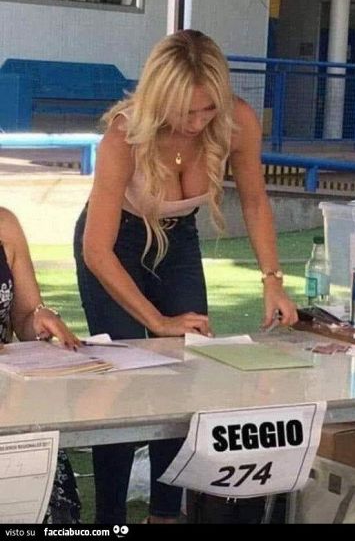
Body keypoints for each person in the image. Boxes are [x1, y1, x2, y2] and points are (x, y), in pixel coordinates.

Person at [73, 29, 299, 524]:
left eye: (208, 109)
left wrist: (272, 279)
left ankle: (165, 514)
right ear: (160, 98)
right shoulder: (123, 136)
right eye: (186, 112)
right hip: (114, 244)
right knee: (123, 379)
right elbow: (96, 250)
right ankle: (108, 520)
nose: (198, 123)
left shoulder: (236, 121)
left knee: (184, 374)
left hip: (177, 240)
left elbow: (255, 200)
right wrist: (158, 321)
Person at [0, 206, 82, 523]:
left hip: (11, 405)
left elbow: (25, 315)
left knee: (52, 509)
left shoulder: (5, 224)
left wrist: (39, 319)